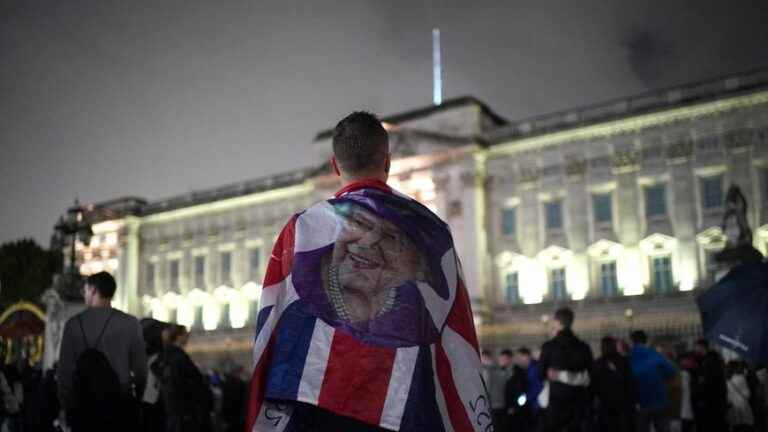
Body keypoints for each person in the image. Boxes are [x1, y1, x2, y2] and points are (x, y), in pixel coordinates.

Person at [246, 112, 486, 432]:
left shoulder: (302, 228)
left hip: (317, 410)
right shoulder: (433, 231)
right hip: (407, 407)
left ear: (335, 166)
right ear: (387, 162)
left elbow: (273, 322)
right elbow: (456, 332)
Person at [57, 271, 147, 432]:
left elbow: (64, 372)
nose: (85, 295)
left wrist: (66, 407)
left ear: (92, 290)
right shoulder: (131, 324)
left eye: (85, 291)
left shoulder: (73, 324)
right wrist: (137, 400)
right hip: (119, 406)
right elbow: (141, 371)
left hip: (83, 406)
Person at [538, 307, 593, 432]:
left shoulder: (549, 346)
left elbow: (540, 374)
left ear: (557, 322)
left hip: (556, 400)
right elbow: (591, 373)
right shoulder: (583, 347)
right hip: (578, 399)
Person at [153, 325, 213, 432]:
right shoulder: (178, 357)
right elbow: (192, 382)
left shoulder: (164, 356)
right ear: (179, 336)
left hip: (172, 410)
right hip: (183, 411)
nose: (188, 337)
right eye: (186, 335)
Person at [629, 330, 677, 432]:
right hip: (660, 400)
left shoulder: (629, 358)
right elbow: (672, 372)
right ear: (646, 341)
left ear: (632, 342)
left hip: (640, 403)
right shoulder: (655, 355)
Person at [591, 336, 633, 432]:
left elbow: (592, 385)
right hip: (622, 403)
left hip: (604, 403)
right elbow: (630, 383)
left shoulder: (597, 363)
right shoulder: (624, 361)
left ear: (602, 347)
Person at [692, 338, 728, 432]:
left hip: (711, 402)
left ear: (701, 347)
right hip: (718, 400)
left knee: (713, 425)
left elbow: (706, 383)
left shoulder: (708, 362)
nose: (694, 349)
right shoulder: (715, 359)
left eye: (695, 347)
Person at [511, 347, 542, 432]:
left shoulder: (534, 368)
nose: (519, 360)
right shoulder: (527, 369)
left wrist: (526, 398)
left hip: (536, 404)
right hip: (531, 404)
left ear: (526, 356)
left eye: (520, 357)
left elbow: (538, 387)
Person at [486, 349, 514, 431]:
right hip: (493, 406)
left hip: (504, 406)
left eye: (505, 359)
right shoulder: (492, 371)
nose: (503, 361)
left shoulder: (511, 372)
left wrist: (513, 405)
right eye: (502, 359)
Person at [726, 361, 755, 432]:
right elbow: (748, 394)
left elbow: (727, 399)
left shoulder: (726, 381)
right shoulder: (741, 378)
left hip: (733, 411)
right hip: (744, 409)